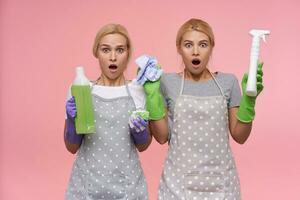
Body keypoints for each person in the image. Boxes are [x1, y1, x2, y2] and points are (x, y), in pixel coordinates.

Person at [142, 18, 264, 199]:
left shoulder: (228, 82)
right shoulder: (168, 83)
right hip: (178, 186)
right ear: (179, 48)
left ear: (212, 47)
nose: (196, 52)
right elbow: (161, 137)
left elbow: (240, 136)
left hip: (222, 185)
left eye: (203, 44)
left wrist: (249, 101)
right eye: (188, 45)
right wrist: (152, 98)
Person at [64, 23, 151, 200]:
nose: (113, 57)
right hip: (86, 188)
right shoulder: (82, 89)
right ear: (96, 52)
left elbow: (143, 146)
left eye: (120, 50)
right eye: (106, 50)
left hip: (128, 189)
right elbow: (71, 147)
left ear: (128, 54)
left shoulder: (137, 90)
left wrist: (140, 133)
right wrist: (72, 121)